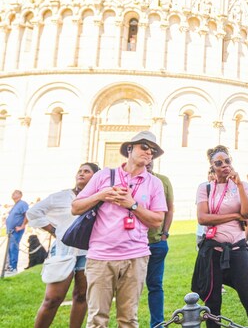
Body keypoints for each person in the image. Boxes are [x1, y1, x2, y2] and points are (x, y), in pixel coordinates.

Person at [71, 131, 167, 328]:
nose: (149, 152)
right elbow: (75, 207)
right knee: (97, 319)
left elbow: (157, 220)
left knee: (128, 319)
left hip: (136, 256)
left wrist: (132, 205)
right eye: (144, 147)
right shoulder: (104, 175)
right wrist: (101, 195)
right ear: (129, 148)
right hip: (101, 257)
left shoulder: (154, 183)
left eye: (153, 150)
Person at [196, 145, 248, 328]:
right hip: (213, 250)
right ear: (212, 166)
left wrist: (240, 184)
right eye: (219, 163)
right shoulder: (205, 188)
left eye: (227, 161)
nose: (224, 165)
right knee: (213, 303)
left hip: (237, 249)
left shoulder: (242, 185)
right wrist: (234, 216)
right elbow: (202, 218)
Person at [28, 163, 99, 328]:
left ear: (95, 176)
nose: (81, 174)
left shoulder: (98, 197)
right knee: (52, 299)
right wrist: (54, 230)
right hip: (63, 250)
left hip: (88, 251)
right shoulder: (61, 196)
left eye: (86, 171)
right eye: (79, 171)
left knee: (81, 296)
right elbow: (33, 212)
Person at [145, 162, 174, 328]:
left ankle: (157, 324)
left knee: (155, 285)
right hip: (133, 245)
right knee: (128, 288)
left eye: (151, 157)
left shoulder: (163, 180)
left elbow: (170, 209)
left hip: (156, 243)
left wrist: (164, 235)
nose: (148, 162)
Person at [5, 189, 29, 274]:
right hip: (10, 231)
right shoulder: (15, 205)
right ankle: (10, 266)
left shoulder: (23, 204)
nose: (13, 194)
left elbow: (27, 214)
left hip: (16, 230)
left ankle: (13, 267)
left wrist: (22, 226)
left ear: (20, 195)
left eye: (15, 193)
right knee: (10, 249)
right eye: (12, 193)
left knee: (13, 247)